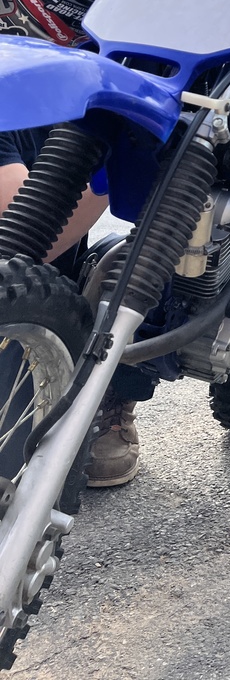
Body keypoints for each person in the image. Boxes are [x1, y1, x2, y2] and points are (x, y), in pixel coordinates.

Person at [0, 126, 155, 487]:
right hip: (17, 296)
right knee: (19, 474)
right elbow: (20, 239)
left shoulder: (68, 104)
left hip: (42, 297)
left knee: (135, 262)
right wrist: (118, 155)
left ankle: (113, 395)